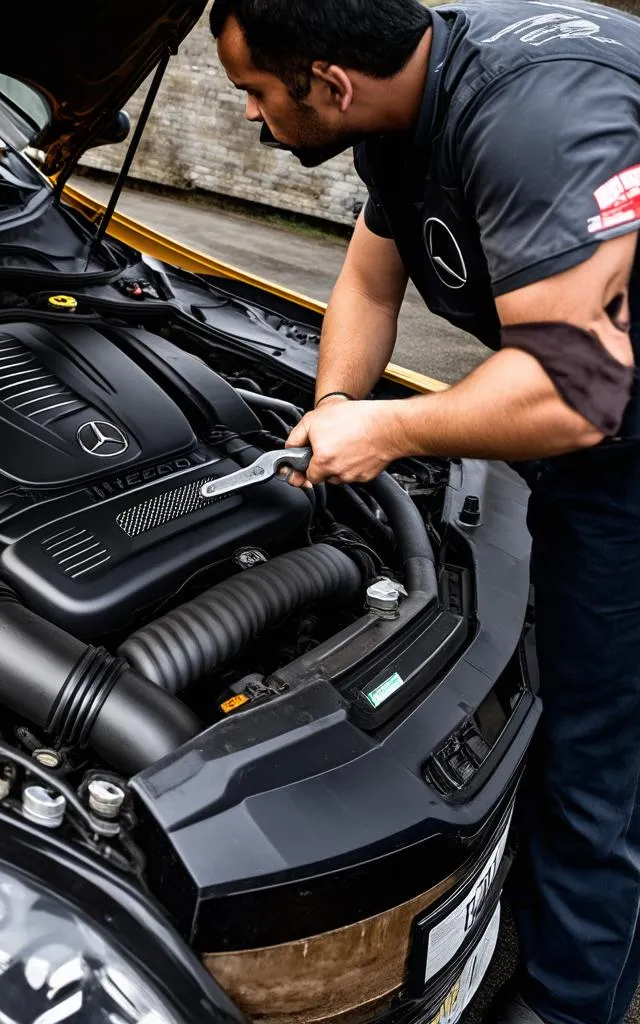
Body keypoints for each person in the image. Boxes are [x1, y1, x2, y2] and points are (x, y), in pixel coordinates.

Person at [210, 1, 640, 1022]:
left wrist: (393, 434)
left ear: (330, 82)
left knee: (598, 751)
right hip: (589, 410)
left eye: (254, 93)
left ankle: (569, 1002)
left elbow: (575, 396)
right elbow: (367, 280)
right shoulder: (406, 92)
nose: (254, 121)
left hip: (615, 436)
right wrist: (331, 411)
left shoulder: (534, 114)